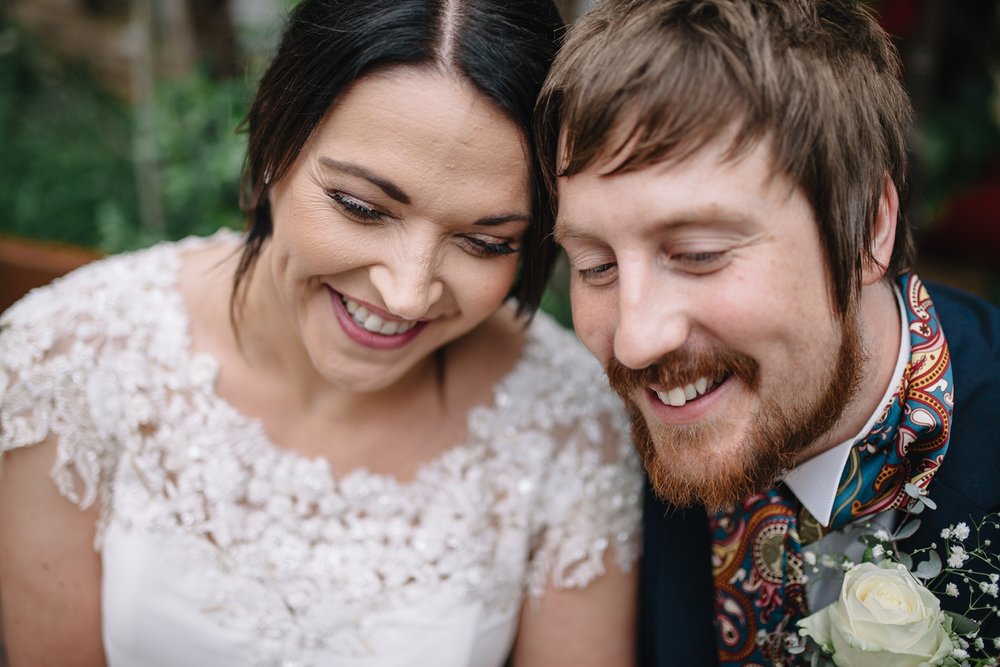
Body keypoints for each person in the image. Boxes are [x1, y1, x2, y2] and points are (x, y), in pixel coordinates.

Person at [0, 1, 643, 665]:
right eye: (363, 208)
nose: (406, 291)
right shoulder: (67, 362)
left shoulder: (568, 422)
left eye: (483, 242)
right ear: (277, 140)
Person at [535, 0, 1000, 664]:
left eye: (698, 253)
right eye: (595, 265)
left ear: (869, 226)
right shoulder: (594, 473)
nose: (636, 340)